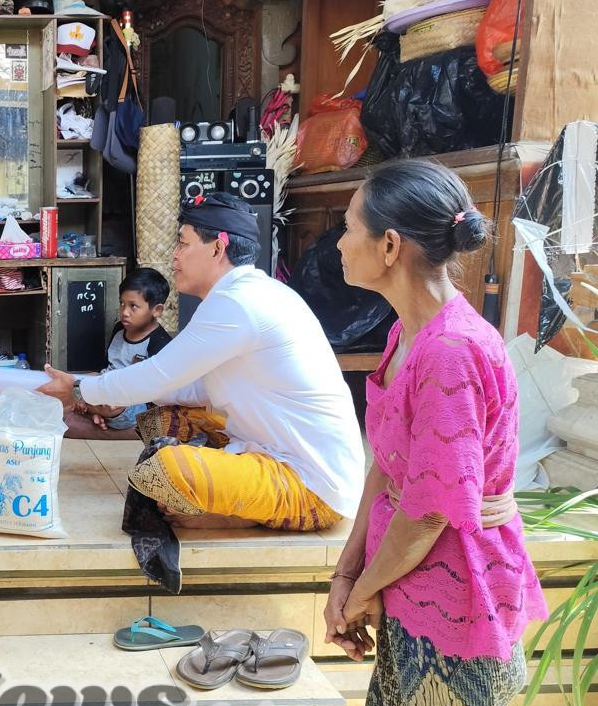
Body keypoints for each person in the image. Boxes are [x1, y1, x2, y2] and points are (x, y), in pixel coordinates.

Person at [326, 160, 547, 706]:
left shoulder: (451, 351)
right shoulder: (407, 335)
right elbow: (387, 471)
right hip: (410, 595)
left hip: (457, 605)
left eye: (348, 228)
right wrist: (347, 574)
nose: (338, 243)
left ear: (389, 246)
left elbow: (428, 511)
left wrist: (361, 592)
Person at [39, 192, 364, 532]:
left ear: (217, 248)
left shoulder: (239, 302)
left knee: (164, 468)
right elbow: (192, 386)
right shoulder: (250, 293)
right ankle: (236, 502)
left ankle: (238, 516)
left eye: (183, 244)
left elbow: (159, 374)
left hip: (312, 485)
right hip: (274, 451)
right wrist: (112, 402)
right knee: (160, 422)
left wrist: (79, 390)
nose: (174, 256)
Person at [65, 266, 172, 440]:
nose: (124, 312)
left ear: (156, 310)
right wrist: (79, 384)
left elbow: (155, 392)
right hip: (107, 388)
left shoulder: (159, 343)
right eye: (122, 303)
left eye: (133, 306)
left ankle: (92, 410)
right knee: (70, 383)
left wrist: (90, 398)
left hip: (131, 403)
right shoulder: (118, 329)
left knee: (111, 406)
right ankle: (93, 412)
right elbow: (105, 369)